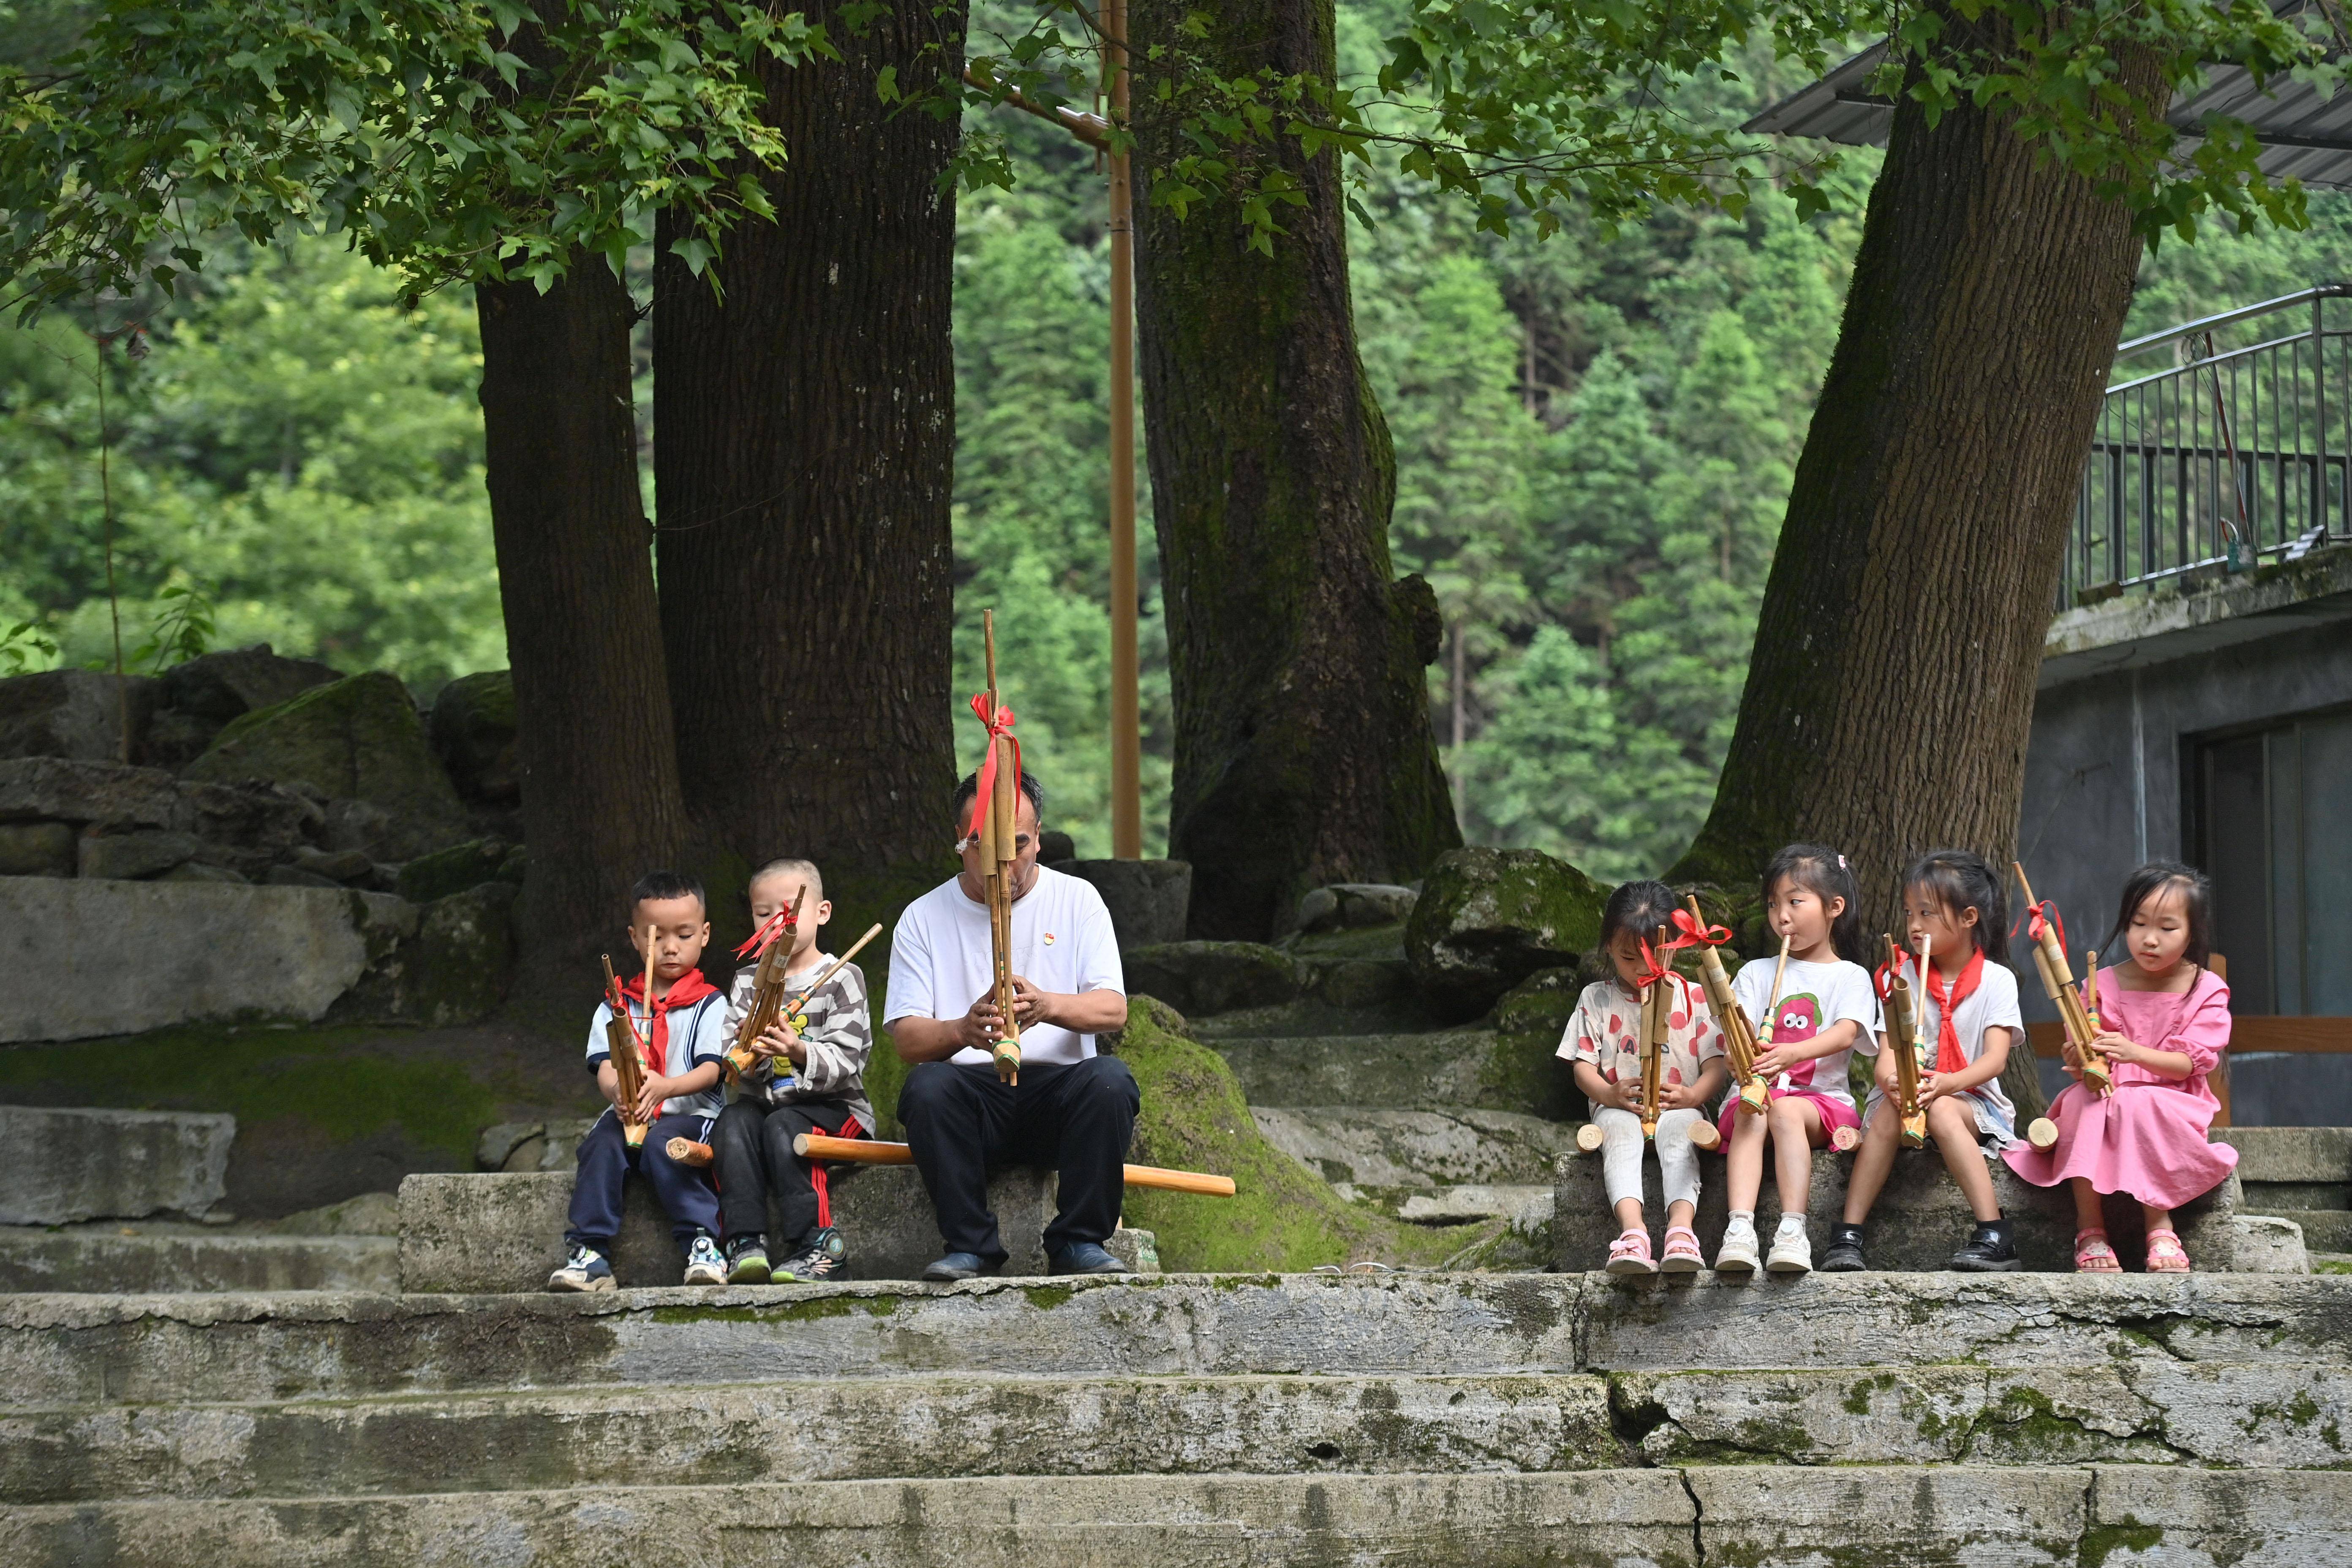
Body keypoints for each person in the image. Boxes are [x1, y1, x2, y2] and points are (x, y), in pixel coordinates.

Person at [886, 769, 1135, 1279]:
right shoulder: (922, 916)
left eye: (1018, 842)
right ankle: (971, 1246)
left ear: (1039, 837)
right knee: (928, 1087)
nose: (1004, 859)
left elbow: (1113, 1008)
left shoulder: (1078, 900)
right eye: (983, 844)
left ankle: (1078, 1243)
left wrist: (1047, 1006)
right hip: (972, 1102)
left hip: (1060, 1097)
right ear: (961, 844)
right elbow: (908, 1039)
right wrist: (961, 1030)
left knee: (1110, 1082)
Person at [2004, 860, 2238, 1272]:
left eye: (2167, 928)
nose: (2150, 939)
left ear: (2192, 932)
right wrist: (2079, 1058)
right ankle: (2090, 1229)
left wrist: (2134, 1053)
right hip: (2106, 1092)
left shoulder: (2206, 988)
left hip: (2173, 1096)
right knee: (2080, 1101)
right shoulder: (2102, 983)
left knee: (2139, 1102)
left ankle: (2160, 1225)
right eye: (2138, 923)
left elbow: (2189, 1063)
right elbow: (2085, 1056)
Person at [1827, 850, 2025, 1273]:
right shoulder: (1904, 977)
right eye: (1909, 913)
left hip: (1972, 1103)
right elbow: (1886, 1058)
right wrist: (1892, 1082)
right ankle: (1849, 1232)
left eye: (1927, 913)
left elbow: (1994, 1061)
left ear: (1969, 917)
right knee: (1884, 1113)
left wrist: (1947, 1084)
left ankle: (1994, 1230)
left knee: (1938, 1108)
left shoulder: (1997, 980)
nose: (1914, 925)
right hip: (1911, 1097)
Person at [549, 870, 732, 1291]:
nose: (669, 947)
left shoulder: (712, 1004)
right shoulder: (617, 1006)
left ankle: (703, 1242)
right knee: (601, 1142)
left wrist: (666, 1087)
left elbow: (712, 1070)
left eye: (683, 935)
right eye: (655, 936)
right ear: (634, 938)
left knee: (663, 1144)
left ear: (704, 935)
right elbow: (606, 1065)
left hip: (692, 1111)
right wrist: (619, 1093)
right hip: (631, 1111)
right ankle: (590, 1252)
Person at [1715, 844, 1880, 1276]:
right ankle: (1740, 1229)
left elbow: (1847, 1031)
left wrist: (1792, 1052)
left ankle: (1792, 1230)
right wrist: (1738, 1056)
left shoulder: (1850, 975)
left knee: (1785, 1109)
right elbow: (1735, 1031)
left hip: (1821, 1102)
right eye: (1773, 904)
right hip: (1757, 1098)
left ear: (1834, 908)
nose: (1781, 915)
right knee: (1754, 1107)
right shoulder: (1755, 972)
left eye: (1795, 901)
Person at [711, 858, 875, 1285]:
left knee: (785, 1124)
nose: (774, 923)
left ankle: (820, 1245)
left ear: (822, 912)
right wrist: (752, 1053)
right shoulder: (748, 980)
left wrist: (798, 1049)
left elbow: (848, 1060)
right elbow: (732, 1057)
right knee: (732, 1120)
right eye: (763, 914)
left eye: (788, 911)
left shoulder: (844, 977)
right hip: (769, 1106)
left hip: (836, 1110)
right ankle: (745, 1242)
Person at [1558, 879, 1729, 1275]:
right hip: (1618, 1107)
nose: (1641, 970)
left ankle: (1681, 1232)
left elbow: (1716, 1064)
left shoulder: (1694, 996)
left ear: (1673, 946)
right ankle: (1633, 1234)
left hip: (1678, 1106)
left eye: (1653, 956)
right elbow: (1582, 1064)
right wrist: (1609, 1093)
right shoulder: (1595, 998)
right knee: (1618, 1131)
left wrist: (1692, 1096)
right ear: (1608, 950)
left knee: (1682, 1132)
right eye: (1627, 958)